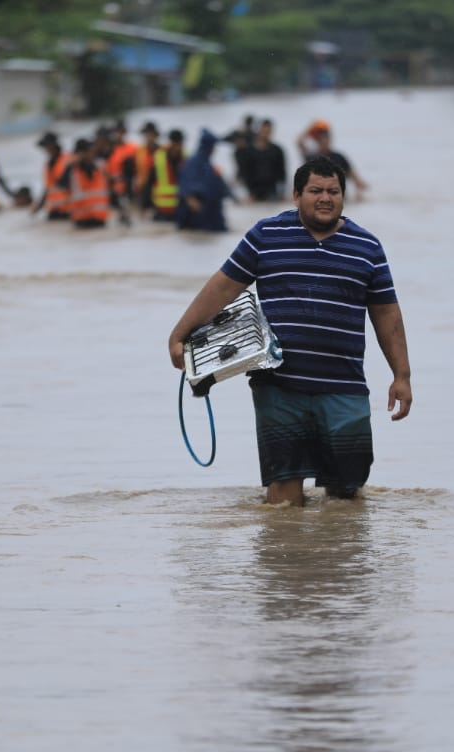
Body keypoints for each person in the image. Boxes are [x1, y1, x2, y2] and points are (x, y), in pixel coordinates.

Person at [167, 157, 412, 506]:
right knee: (283, 499)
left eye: (333, 191)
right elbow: (222, 288)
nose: (325, 198)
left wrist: (401, 375)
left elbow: (387, 315)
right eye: (315, 191)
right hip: (279, 387)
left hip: (344, 387)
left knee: (346, 496)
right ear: (296, 195)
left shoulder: (367, 247)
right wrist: (180, 334)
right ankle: (287, 559)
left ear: (344, 196)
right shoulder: (266, 235)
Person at [54, 138, 131, 229]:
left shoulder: (101, 167)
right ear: (80, 153)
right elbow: (60, 185)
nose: (92, 153)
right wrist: (70, 166)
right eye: (88, 151)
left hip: (100, 221)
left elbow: (111, 191)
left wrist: (122, 211)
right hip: (81, 222)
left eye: (92, 150)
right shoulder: (72, 170)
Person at [175, 128, 233, 233]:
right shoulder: (193, 163)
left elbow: (221, 188)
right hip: (197, 220)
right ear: (209, 147)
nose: (215, 149)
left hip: (211, 218)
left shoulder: (209, 166)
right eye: (214, 146)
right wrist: (194, 205)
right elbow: (186, 190)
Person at [307, 124, 368, 200]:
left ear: (330, 140)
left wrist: (360, 192)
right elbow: (299, 143)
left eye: (326, 139)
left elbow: (354, 177)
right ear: (317, 141)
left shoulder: (339, 157)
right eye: (321, 140)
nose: (325, 142)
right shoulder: (311, 158)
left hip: (339, 198)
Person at [243, 118, 287, 201]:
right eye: (264, 131)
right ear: (258, 131)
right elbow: (246, 173)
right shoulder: (248, 151)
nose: (266, 134)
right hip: (254, 190)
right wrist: (250, 192)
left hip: (272, 190)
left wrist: (282, 192)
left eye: (269, 132)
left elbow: (282, 173)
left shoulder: (277, 150)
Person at [31, 131, 71, 220]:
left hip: (68, 210)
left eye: (46, 146)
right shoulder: (47, 164)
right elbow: (48, 188)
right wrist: (38, 206)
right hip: (54, 211)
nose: (45, 149)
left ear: (53, 145)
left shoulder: (68, 160)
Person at [147, 129, 185, 222]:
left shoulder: (186, 157)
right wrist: (147, 205)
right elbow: (150, 181)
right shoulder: (159, 157)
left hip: (180, 209)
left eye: (179, 144)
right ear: (171, 143)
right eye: (176, 144)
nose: (177, 147)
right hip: (161, 209)